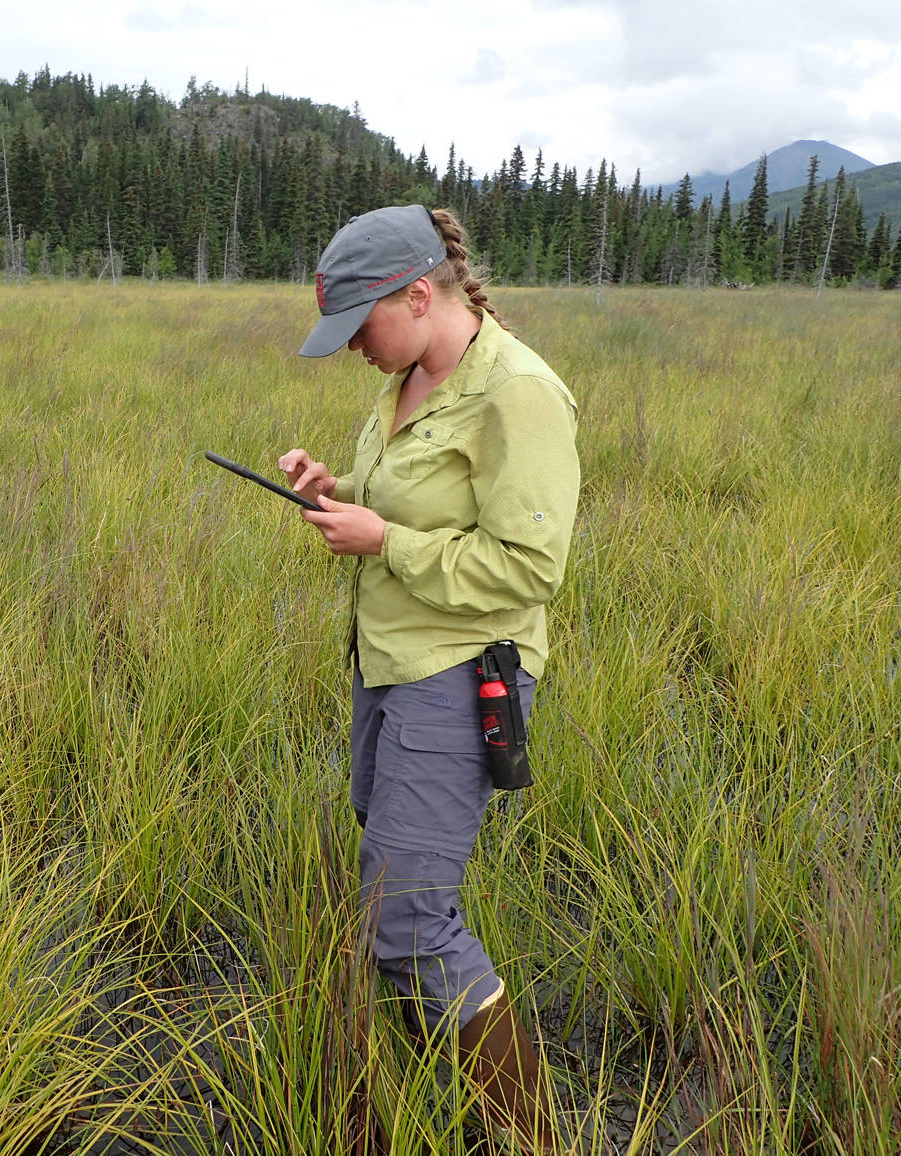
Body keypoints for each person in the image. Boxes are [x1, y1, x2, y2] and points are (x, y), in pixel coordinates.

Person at [279, 204, 578, 1151]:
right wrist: (340, 495)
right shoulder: (409, 376)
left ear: (418, 294)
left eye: (360, 326)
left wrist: (385, 540)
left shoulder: (517, 394)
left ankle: (531, 1133)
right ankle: (432, 1092)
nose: (354, 350)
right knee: (390, 893)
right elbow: (413, 504)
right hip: (390, 662)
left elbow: (530, 570)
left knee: (407, 920)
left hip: (460, 674)